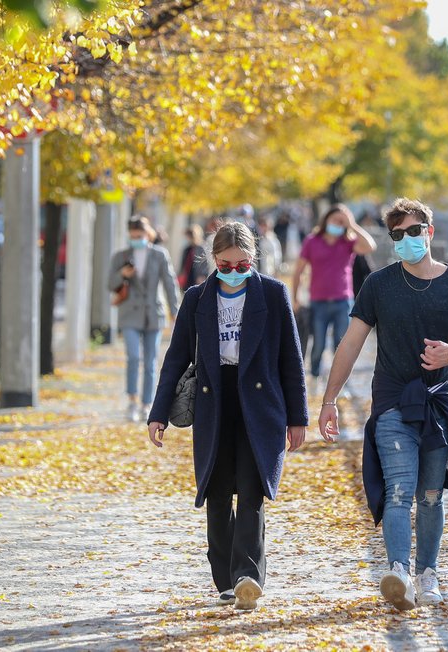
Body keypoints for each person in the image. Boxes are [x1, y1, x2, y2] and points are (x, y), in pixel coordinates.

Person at [317, 198, 448, 611]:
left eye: (415, 231)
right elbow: (351, 342)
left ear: (429, 232)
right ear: (391, 240)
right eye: (398, 235)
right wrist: (328, 400)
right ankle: (398, 572)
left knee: (430, 494)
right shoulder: (378, 285)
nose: (408, 239)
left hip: (437, 405)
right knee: (397, 491)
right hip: (393, 403)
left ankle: (428, 574)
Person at [146, 220, 308, 611]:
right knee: (217, 494)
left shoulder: (272, 294)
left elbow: (291, 359)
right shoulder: (198, 298)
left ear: (253, 259)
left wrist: (298, 417)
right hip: (214, 403)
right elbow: (174, 360)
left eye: (242, 265)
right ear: (213, 260)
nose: (234, 271)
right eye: (226, 265)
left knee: (252, 492)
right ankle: (224, 579)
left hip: (261, 404)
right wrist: (158, 414)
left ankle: (248, 577)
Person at [291, 204, 376, 389]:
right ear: (326, 219)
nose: (338, 224)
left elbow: (370, 246)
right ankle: (314, 377)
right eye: (335, 219)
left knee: (342, 344)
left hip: (343, 301)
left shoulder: (348, 241)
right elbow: (298, 271)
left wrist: (352, 224)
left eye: (341, 221)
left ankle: (340, 384)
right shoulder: (312, 241)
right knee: (319, 344)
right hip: (318, 301)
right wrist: (295, 298)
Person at [108, 216, 180, 422]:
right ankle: (131, 400)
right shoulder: (121, 256)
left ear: (148, 234)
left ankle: (146, 404)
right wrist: (123, 273)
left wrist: (175, 310)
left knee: (150, 362)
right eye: (132, 236)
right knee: (133, 356)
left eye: (139, 236)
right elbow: (109, 283)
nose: (136, 239)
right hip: (129, 313)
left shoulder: (159, 255)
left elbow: (169, 283)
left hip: (152, 314)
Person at [178, 224, 209, 291]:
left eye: (191, 235)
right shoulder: (187, 249)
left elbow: (204, 264)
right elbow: (183, 265)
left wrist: (202, 276)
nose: (189, 238)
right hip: (187, 278)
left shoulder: (201, 248)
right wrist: (180, 275)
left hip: (197, 278)